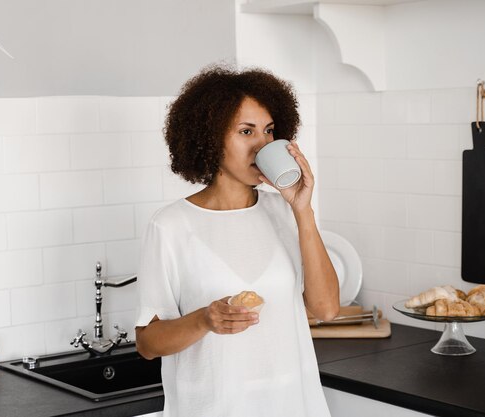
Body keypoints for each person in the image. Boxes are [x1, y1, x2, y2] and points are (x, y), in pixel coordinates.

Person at [134, 64, 340, 417]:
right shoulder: (171, 225)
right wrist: (204, 320)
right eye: (246, 131)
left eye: (269, 131)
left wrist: (303, 210)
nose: (262, 144)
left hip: (291, 404)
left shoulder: (286, 212)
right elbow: (148, 343)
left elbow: (325, 309)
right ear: (211, 139)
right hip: (214, 407)